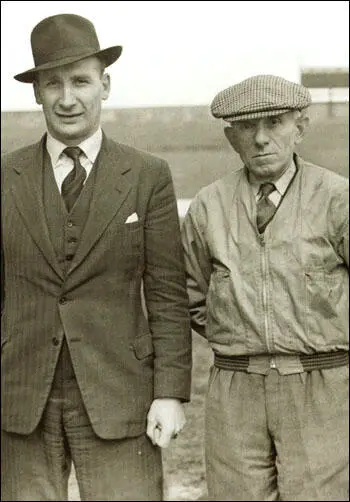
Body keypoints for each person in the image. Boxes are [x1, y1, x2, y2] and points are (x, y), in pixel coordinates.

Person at [1, 13, 192, 501]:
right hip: (20, 399)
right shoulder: (6, 177)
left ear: (104, 85)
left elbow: (167, 294)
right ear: (36, 92)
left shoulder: (148, 175)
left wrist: (169, 393)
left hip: (119, 395)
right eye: (53, 84)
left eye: (81, 81)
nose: (68, 98)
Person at [181, 74, 349, 501]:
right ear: (230, 136)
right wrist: (244, 329)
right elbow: (191, 296)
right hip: (237, 387)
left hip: (321, 383)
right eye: (246, 127)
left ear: (300, 127)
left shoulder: (337, 199)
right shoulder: (208, 206)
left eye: (275, 123)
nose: (260, 139)